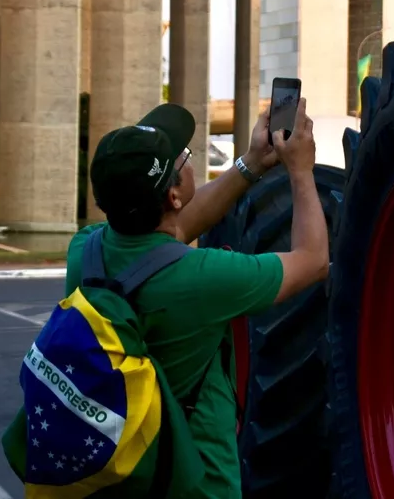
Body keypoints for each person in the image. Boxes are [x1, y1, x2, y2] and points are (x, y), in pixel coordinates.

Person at [62, 96, 329, 498]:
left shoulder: (86, 252)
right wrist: (301, 170)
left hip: (116, 475)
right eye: (184, 158)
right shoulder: (204, 277)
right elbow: (312, 260)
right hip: (195, 483)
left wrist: (251, 163)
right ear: (172, 196)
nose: (189, 160)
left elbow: (172, 230)